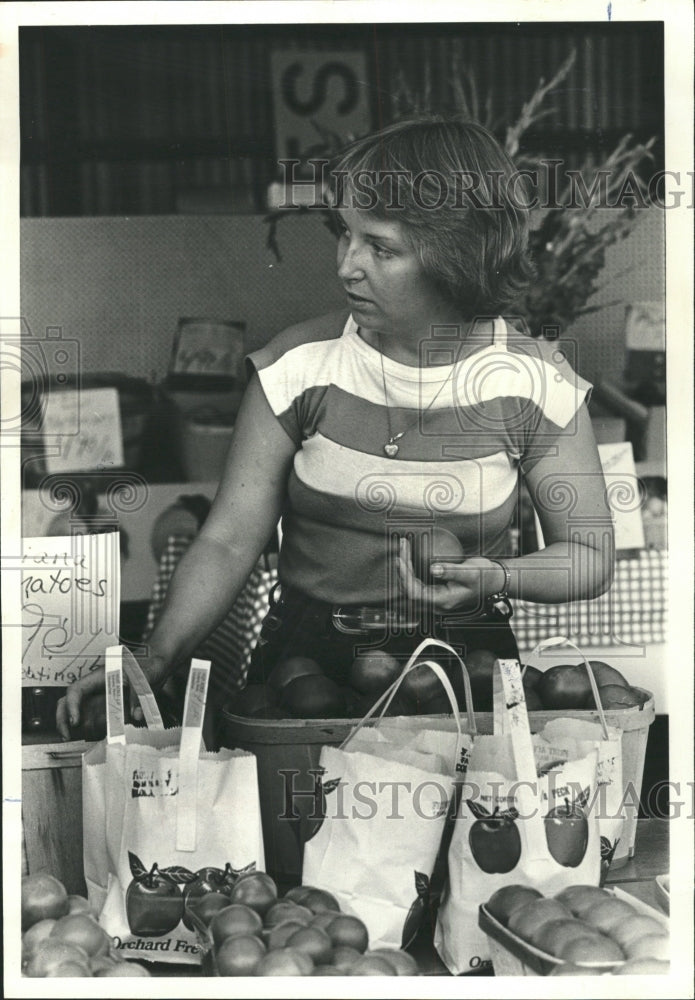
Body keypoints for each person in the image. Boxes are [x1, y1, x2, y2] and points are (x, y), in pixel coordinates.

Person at [57, 115, 614, 737]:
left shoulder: (537, 384)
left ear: (458, 254)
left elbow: (589, 555)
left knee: (468, 827)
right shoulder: (299, 366)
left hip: (468, 675)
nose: (347, 266)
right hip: (307, 669)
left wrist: (501, 576)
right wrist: (155, 655)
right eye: (344, 234)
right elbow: (229, 539)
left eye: (380, 247)